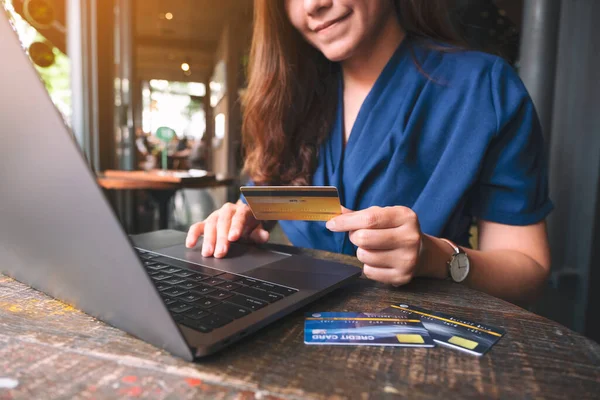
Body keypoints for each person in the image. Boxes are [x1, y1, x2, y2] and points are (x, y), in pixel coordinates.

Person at [186, 0, 553, 305]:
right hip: (288, 330)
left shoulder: (484, 88)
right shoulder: (289, 98)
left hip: (418, 341)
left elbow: (528, 267)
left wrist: (437, 257)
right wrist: (236, 223)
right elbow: (263, 204)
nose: (313, 6)